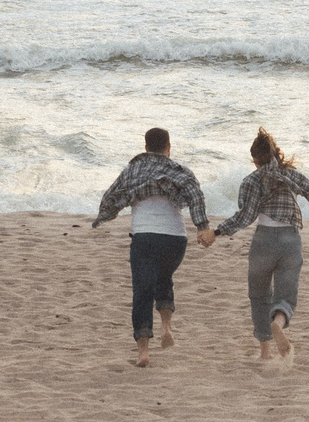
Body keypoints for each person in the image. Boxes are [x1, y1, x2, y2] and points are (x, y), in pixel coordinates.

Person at [210, 129, 309, 360]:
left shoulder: (250, 181)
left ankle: (265, 352)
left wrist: (217, 232)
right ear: (276, 153)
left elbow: (244, 217)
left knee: (259, 296)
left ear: (255, 160)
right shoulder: (292, 176)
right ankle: (278, 321)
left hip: (263, 241)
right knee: (286, 297)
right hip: (290, 241)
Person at [90, 127, 215, 367]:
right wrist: (202, 227)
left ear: (145, 147)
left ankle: (143, 352)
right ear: (169, 148)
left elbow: (110, 196)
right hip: (175, 240)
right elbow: (196, 195)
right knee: (163, 277)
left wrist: (105, 216)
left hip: (145, 237)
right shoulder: (178, 170)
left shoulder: (133, 170)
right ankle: (167, 326)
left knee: (142, 291)